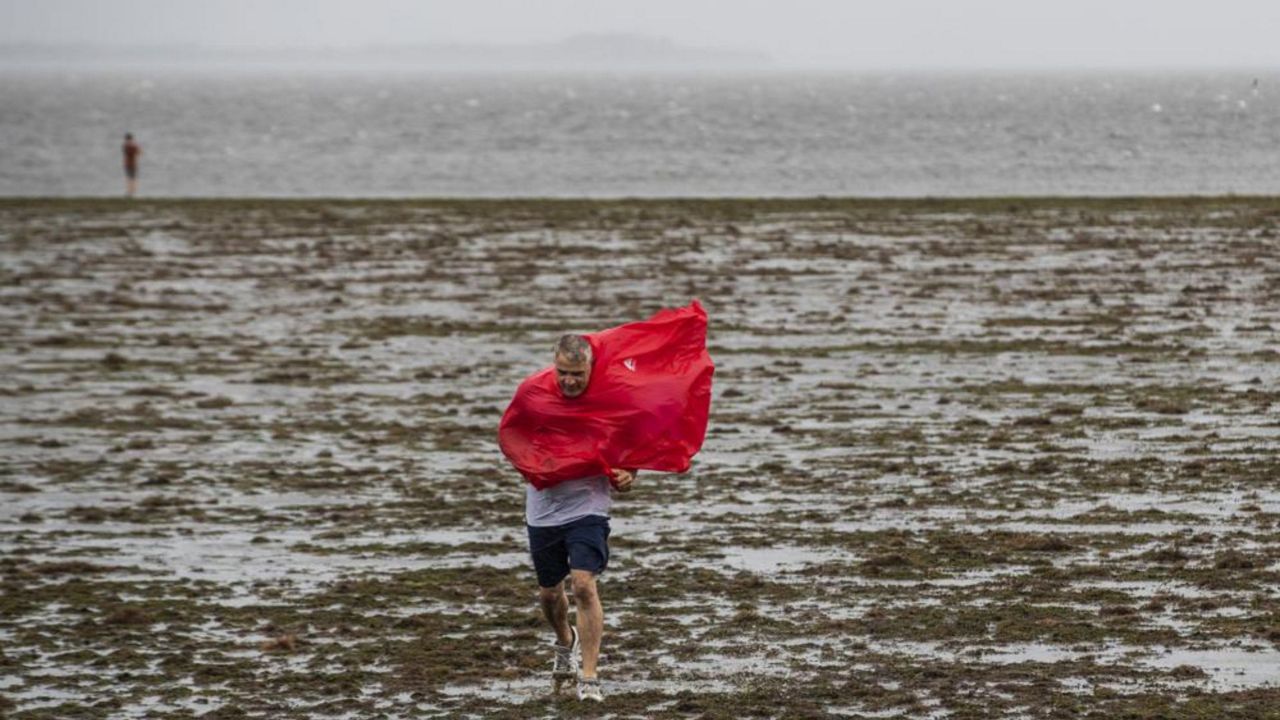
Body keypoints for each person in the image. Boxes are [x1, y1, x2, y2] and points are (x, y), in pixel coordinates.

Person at [526, 334, 635, 703]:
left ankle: (589, 676)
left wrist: (628, 474)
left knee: (584, 583)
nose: (569, 380)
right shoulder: (534, 397)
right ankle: (564, 640)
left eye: (577, 373)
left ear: (591, 368)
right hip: (544, 509)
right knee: (549, 593)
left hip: (588, 506)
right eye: (563, 372)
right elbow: (515, 438)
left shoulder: (609, 401)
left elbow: (629, 445)